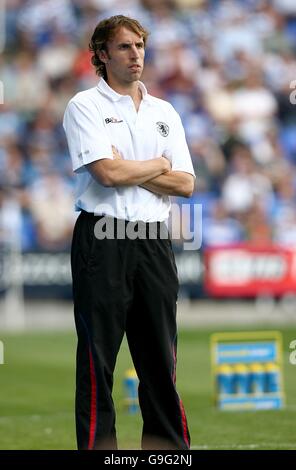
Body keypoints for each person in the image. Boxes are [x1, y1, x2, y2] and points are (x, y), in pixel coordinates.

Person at [63, 15, 195, 450]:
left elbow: (186, 184)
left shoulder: (164, 111)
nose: (135, 54)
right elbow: (105, 172)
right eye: (124, 47)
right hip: (102, 239)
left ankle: (169, 454)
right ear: (101, 54)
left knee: (160, 360)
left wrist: (134, 170)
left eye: (139, 45)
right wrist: (158, 164)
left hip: (155, 241)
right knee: (99, 360)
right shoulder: (85, 106)